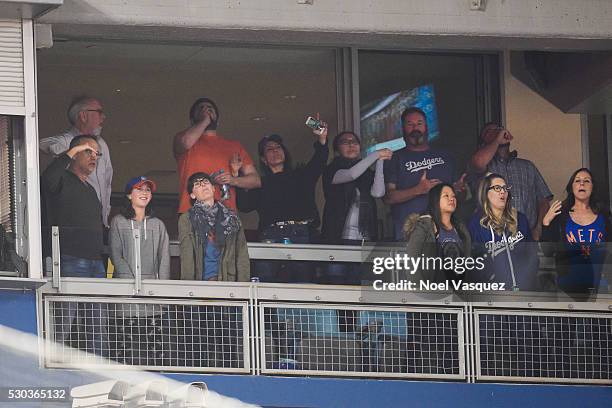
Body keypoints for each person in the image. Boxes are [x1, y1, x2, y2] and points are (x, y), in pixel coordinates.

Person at [236, 122, 329, 282]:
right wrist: (237, 176)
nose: (275, 151)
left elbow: (319, 162)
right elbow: (244, 206)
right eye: (269, 150)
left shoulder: (301, 176)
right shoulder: (260, 183)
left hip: (301, 232)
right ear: (263, 159)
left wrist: (322, 139)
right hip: (270, 234)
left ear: (285, 152)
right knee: (265, 283)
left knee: (303, 282)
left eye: (278, 147)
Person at [41, 134, 108, 356]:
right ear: (75, 151)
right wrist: (71, 151)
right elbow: (48, 178)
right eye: (88, 151)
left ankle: (96, 370)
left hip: (95, 262)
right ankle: (53, 367)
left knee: (97, 324)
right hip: (69, 258)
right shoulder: (61, 178)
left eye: (96, 153)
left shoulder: (90, 190)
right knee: (64, 322)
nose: (94, 157)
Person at [384, 107, 466, 240]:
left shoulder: (446, 156)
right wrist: (418, 189)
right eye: (410, 124)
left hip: (445, 234)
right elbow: (388, 197)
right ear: (403, 129)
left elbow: (462, 197)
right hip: (410, 235)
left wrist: (459, 191)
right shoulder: (394, 158)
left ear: (427, 127)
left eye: (419, 123)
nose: (415, 128)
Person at [320, 131, 391, 284]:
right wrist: (375, 155)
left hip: (363, 239)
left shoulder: (366, 172)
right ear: (337, 150)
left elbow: (378, 192)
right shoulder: (332, 169)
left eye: (354, 142)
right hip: (337, 239)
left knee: (359, 286)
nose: (351, 144)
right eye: (345, 142)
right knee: (336, 285)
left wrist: (380, 162)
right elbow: (352, 174)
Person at [174, 97, 260, 213]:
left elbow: (255, 180)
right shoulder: (183, 138)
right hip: (192, 211)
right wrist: (205, 120)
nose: (206, 110)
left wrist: (233, 180)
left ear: (218, 120)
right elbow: (185, 143)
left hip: (226, 213)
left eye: (210, 108)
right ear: (192, 120)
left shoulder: (234, 146)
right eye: (201, 109)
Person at [469, 122, 552, 240]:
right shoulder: (484, 166)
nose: (498, 133)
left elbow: (544, 200)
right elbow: (478, 162)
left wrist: (537, 228)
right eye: (491, 132)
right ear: (483, 142)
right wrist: (497, 140)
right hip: (492, 238)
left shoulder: (527, 166)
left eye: (499, 129)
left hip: (525, 235)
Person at [39, 96, 113, 228]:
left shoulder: (102, 144)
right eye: (99, 112)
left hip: (99, 221)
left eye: (96, 153)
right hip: (74, 220)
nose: (103, 117)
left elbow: (107, 182)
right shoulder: (67, 140)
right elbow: (40, 145)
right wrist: (73, 150)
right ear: (83, 116)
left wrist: (105, 216)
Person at [541, 168, 611, 294]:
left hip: (600, 284)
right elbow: (547, 251)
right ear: (571, 188)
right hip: (568, 286)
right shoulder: (561, 215)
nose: (582, 184)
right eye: (577, 181)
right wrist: (546, 223)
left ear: (593, 187)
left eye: (587, 181)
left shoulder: (604, 215)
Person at [468, 173, 539, 291]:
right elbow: (475, 263)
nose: (503, 192)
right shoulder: (476, 224)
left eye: (505, 188)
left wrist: (528, 279)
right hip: (493, 296)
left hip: (524, 292)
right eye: (497, 188)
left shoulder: (520, 219)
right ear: (486, 193)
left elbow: (532, 254)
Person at [178, 172, 250, 282]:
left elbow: (241, 253)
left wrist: (244, 286)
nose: (203, 185)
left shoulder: (232, 218)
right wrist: (189, 288)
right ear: (192, 195)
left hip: (227, 280)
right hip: (202, 280)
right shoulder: (187, 219)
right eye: (197, 184)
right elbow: (187, 255)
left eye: (206, 182)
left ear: (213, 188)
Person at [403, 183, 471, 283]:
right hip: (433, 292)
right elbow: (411, 261)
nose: (451, 199)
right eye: (446, 196)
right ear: (436, 200)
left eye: (453, 196)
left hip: (457, 291)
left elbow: (467, 262)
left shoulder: (460, 229)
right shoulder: (424, 226)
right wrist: (422, 292)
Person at [109, 176, 170, 280]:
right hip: (125, 285)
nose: (144, 192)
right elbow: (115, 255)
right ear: (129, 195)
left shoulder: (158, 225)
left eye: (148, 190)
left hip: (151, 286)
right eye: (139, 189)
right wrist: (129, 280)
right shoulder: (118, 221)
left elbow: (164, 258)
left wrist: (162, 286)